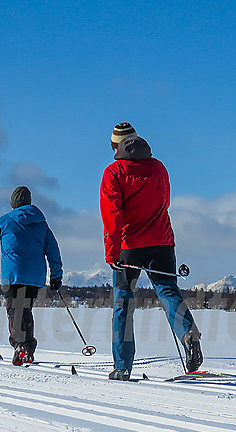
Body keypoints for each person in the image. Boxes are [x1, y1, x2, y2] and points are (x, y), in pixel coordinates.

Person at [100, 122, 202, 381]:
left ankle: (122, 366)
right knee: (168, 292)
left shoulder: (113, 172)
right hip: (162, 242)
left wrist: (111, 253)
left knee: (123, 304)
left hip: (129, 248)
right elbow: (165, 201)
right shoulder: (159, 167)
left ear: (116, 146)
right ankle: (188, 333)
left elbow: (112, 216)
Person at [0, 186, 63, 365]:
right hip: (35, 278)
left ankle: (20, 346)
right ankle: (28, 349)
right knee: (25, 311)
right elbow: (53, 250)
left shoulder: (5, 221)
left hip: (13, 275)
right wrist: (56, 275)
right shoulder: (41, 224)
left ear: (12, 203)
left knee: (14, 312)